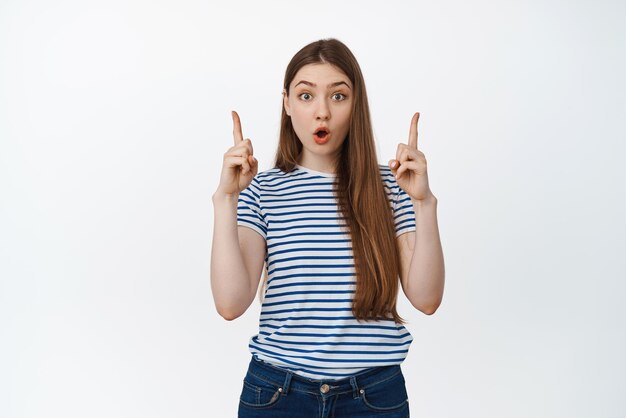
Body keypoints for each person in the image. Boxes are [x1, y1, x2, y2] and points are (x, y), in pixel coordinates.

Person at [211, 38, 445, 417]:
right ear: (287, 103)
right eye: (306, 96)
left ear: (356, 106)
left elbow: (427, 298)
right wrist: (225, 200)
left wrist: (423, 202)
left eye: (338, 97)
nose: (322, 112)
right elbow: (230, 304)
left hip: (373, 398)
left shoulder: (392, 187)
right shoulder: (262, 189)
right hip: (277, 395)